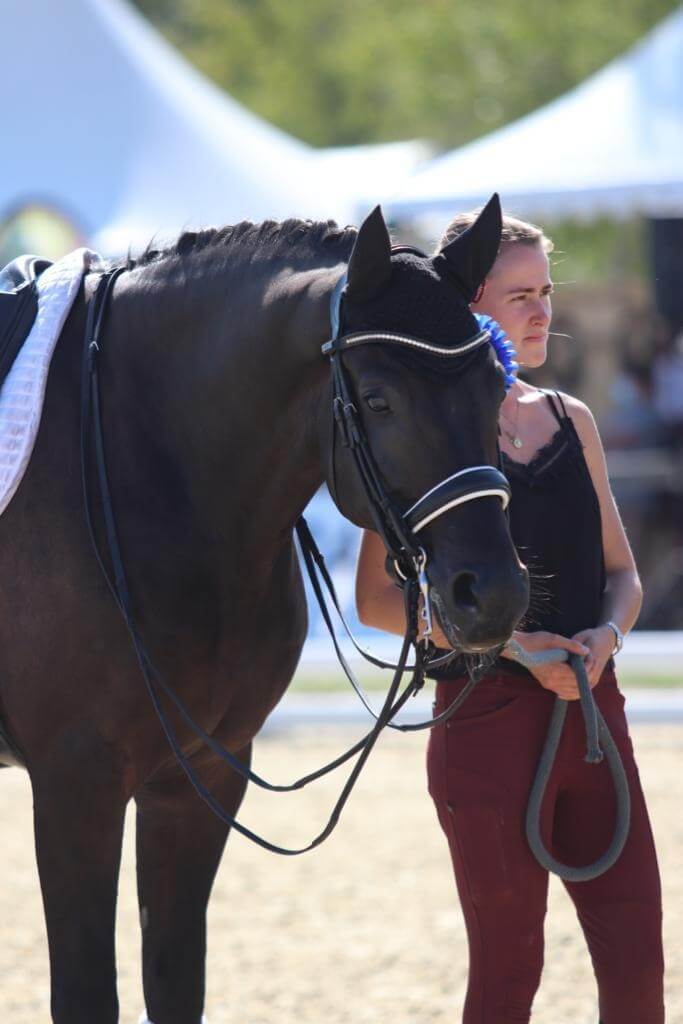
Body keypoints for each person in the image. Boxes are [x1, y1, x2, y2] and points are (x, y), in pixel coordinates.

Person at [355, 213, 664, 1024]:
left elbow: (623, 574)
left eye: (546, 293)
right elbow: (377, 600)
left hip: (595, 718)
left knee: (637, 974)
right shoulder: (422, 431)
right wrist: (513, 647)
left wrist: (608, 636)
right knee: (505, 979)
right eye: (518, 295)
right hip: (485, 723)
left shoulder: (573, 420)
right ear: (470, 303)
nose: (540, 314)